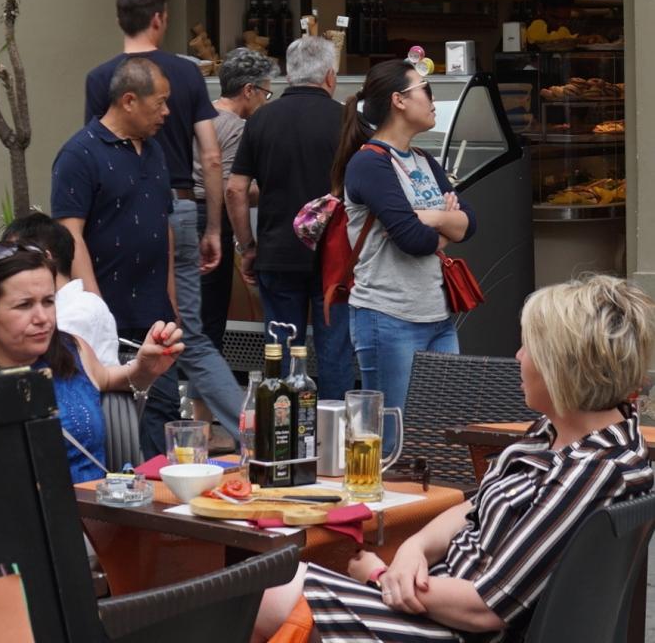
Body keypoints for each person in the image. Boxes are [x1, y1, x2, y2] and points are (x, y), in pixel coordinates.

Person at [252, 274, 655, 643]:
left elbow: (485, 608)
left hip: (454, 629)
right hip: (438, 601)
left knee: (260, 594)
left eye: (530, 347)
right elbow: (472, 508)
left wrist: (381, 577)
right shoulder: (561, 433)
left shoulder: (592, 470)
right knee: (266, 586)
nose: (518, 356)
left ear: (564, 367)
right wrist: (413, 549)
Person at [85, 0, 245, 444]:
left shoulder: (101, 78)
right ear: (159, 19)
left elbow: (96, 148)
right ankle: (252, 430)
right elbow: (211, 155)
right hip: (180, 204)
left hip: (118, 215)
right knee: (186, 333)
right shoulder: (186, 73)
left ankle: (131, 440)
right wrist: (213, 225)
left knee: (122, 330)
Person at [0, 239, 183, 482]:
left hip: (93, 504)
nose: (42, 318)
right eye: (24, 305)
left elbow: (107, 378)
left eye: (48, 301)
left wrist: (144, 368)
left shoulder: (72, 349)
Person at [330, 59, 476, 417]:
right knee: (393, 430)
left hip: (437, 315)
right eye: (426, 90)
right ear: (399, 100)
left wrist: (432, 217)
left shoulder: (424, 159)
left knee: (443, 424)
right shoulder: (369, 164)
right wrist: (443, 228)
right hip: (387, 316)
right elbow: (414, 241)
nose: (433, 101)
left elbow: (470, 223)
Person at [52, 56, 178, 456]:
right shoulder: (79, 154)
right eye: (160, 102)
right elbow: (70, 234)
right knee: (122, 431)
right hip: (110, 322)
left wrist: (172, 303)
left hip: (155, 318)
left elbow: (163, 227)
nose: (166, 112)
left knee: (163, 417)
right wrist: (96, 310)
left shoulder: (154, 151)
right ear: (128, 101)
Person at [226, 36, 353, 399]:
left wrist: (247, 246)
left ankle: (281, 425)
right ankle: (332, 426)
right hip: (335, 257)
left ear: (288, 74)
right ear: (329, 76)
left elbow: (235, 189)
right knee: (335, 351)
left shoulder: (261, 119)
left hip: (277, 252)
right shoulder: (346, 120)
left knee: (280, 351)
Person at [192, 46, 274, 358]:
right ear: (249, 90)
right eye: (265, 93)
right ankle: (205, 381)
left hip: (184, 215)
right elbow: (231, 190)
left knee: (188, 312)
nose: (266, 101)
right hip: (212, 220)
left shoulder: (200, 117)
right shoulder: (239, 128)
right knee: (211, 315)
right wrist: (269, 189)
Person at [3, 211, 120, 366]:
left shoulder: (78, 309)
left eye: (15, 256)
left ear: (45, 258)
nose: (8, 266)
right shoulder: (73, 304)